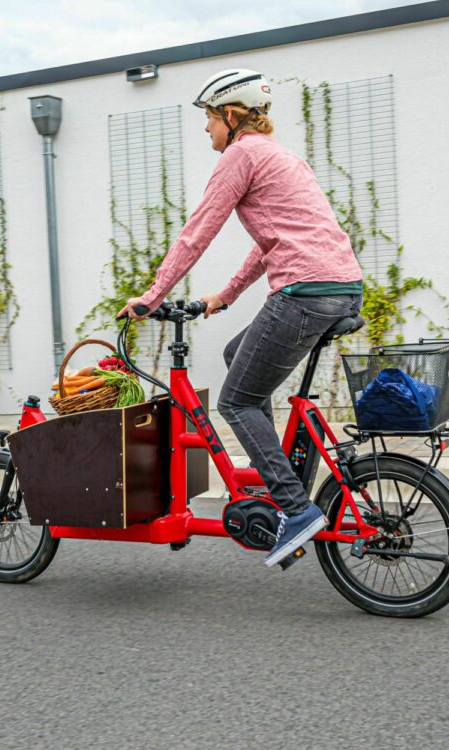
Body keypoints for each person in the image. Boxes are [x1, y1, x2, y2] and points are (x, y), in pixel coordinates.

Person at [119, 69, 363, 568]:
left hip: (305, 293)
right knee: (238, 355)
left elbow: (196, 233)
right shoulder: (282, 156)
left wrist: (151, 296)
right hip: (343, 289)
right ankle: (275, 471)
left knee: (236, 400)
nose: (206, 130)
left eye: (209, 120)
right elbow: (270, 243)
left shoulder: (241, 155)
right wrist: (225, 297)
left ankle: (295, 508)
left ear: (231, 116)